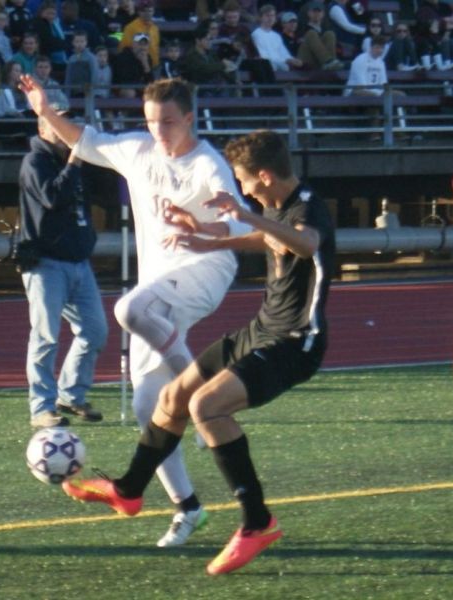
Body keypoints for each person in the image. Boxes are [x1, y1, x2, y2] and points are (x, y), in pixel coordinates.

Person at [58, 128, 336, 575]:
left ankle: (257, 523)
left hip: (296, 340)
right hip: (262, 329)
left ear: (264, 177)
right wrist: (208, 239)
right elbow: (267, 239)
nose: (242, 188)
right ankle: (128, 489)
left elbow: (304, 243)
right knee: (172, 399)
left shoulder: (306, 205)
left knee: (207, 407)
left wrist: (246, 214)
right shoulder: (274, 205)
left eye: (245, 181)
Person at [19, 75, 251, 547]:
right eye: (151, 121)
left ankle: (200, 390)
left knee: (129, 307)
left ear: (189, 118)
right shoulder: (138, 150)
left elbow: (234, 218)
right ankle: (189, 508)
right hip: (159, 289)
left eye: (168, 121)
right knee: (151, 407)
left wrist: (200, 227)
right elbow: (84, 141)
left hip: (206, 268)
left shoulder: (207, 162)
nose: (159, 131)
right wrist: (46, 111)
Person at [16, 97, 108, 429]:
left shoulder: (73, 163)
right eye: (55, 121)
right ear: (43, 127)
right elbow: (53, 197)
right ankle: (41, 407)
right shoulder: (35, 161)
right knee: (45, 336)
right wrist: (75, 162)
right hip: (46, 263)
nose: (63, 128)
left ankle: (71, 394)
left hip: (78, 262)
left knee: (95, 331)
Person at [251, 4, 303, 72]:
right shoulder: (256, 34)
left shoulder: (276, 36)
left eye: (272, 15)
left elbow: (284, 53)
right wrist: (285, 60)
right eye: (267, 16)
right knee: (275, 65)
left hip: (280, 64)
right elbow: (263, 55)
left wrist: (291, 59)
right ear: (261, 18)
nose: (270, 18)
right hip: (268, 64)